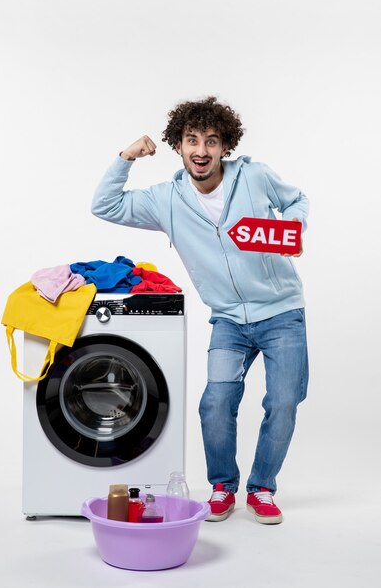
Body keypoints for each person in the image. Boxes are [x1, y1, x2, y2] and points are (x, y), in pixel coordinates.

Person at [91, 96, 309, 524]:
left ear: (224, 145)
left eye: (212, 141)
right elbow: (105, 206)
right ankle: (223, 486)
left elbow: (297, 201)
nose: (202, 150)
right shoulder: (166, 200)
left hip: (282, 311)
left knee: (283, 402)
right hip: (228, 318)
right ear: (179, 145)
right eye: (192, 140)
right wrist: (126, 157)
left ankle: (262, 488)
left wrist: (290, 230)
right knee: (215, 403)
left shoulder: (256, 177)